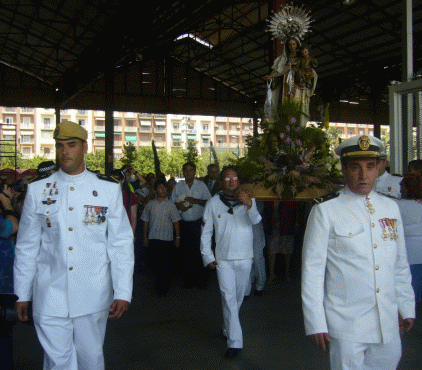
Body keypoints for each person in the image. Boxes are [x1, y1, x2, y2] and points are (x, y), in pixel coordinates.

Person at [14, 121, 134, 370]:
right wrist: (22, 293)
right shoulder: (38, 189)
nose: (64, 151)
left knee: (91, 359)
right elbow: (26, 245)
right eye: (59, 146)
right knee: (57, 362)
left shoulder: (107, 188)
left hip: (92, 292)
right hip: (49, 292)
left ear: (85, 147)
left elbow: (120, 243)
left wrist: (123, 290)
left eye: (71, 145)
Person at [302, 134, 415, 370]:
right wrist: (315, 322)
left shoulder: (390, 207)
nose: (363, 175)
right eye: (355, 167)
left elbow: (400, 264)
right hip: (346, 323)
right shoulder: (325, 210)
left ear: (379, 169)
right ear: (343, 169)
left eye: (370, 167)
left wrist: (406, 307)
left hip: (387, 320)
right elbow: (312, 271)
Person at [200, 166, 262, 358]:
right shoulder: (212, 203)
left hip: (245, 257)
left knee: (237, 298)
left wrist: (249, 205)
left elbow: (256, 221)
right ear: (221, 182)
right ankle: (235, 342)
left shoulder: (248, 200)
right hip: (223, 260)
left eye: (235, 177)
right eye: (227, 178)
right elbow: (206, 232)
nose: (231, 181)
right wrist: (207, 256)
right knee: (228, 298)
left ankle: (227, 327)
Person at [172, 162, 211, 289]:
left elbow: (209, 203)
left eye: (191, 170)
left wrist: (196, 201)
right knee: (186, 253)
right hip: (183, 224)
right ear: (183, 172)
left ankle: (201, 280)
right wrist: (179, 206)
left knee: (199, 252)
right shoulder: (178, 186)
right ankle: (188, 280)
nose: (188, 173)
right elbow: (172, 203)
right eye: (186, 170)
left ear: (194, 172)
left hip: (197, 223)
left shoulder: (201, 185)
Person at [141, 178, 181, 297]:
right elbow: (145, 221)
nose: (163, 190)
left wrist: (178, 237)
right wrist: (145, 237)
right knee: (156, 263)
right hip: (153, 238)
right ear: (156, 190)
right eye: (160, 187)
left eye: (165, 187)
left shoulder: (170, 205)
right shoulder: (150, 204)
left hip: (166, 239)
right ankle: (158, 283)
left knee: (165, 264)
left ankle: (164, 287)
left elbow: (176, 222)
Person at [267, 37, 316, 125]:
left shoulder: (302, 59)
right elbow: (278, 73)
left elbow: (311, 71)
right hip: (285, 87)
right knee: (284, 106)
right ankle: (285, 126)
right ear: (287, 46)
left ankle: (296, 127)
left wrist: (310, 76)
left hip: (298, 87)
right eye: (290, 44)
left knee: (297, 106)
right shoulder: (283, 59)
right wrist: (271, 78)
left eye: (294, 44)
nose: (292, 46)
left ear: (297, 45)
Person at [397, 174, 422, 303]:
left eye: (403, 187)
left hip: (409, 253)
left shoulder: (398, 205)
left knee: (411, 292)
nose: (400, 190)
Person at [245, 200, 266, 297]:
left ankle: (260, 285)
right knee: (245, 260)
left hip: (256, 230)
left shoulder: (258, 198)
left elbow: (257, 213)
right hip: (242, 230)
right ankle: (246, 288)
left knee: (258, 258)